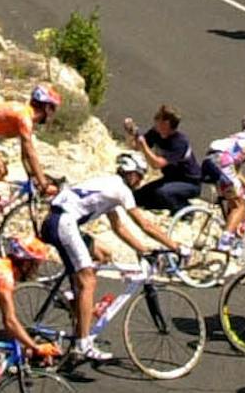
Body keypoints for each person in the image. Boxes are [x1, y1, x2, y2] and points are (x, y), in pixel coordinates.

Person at [38, 153, 182, 362]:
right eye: (140, 177)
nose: (139, 182)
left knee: (102, 254)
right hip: (64, 223)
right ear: (132, 174)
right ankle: (83, 344)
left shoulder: (111, 185)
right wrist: (175, 247)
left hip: (60, 221)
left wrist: (142, 249)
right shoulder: (121, 190)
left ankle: (73, 297)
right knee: (88, 280)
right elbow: (145, 225)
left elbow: (119, 227)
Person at [120, 105, 199, 214]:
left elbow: (156, 164)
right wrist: (131, 134)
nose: (155, 120)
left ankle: (186, 210)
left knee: (163, 193)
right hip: (170, 179)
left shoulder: (179, 142)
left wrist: (144, 146)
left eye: (158, 118)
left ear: (166, 123)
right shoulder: (155, 133)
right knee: (138, 197)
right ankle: (161, 204)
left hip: (189, 182)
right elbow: (136, 146)